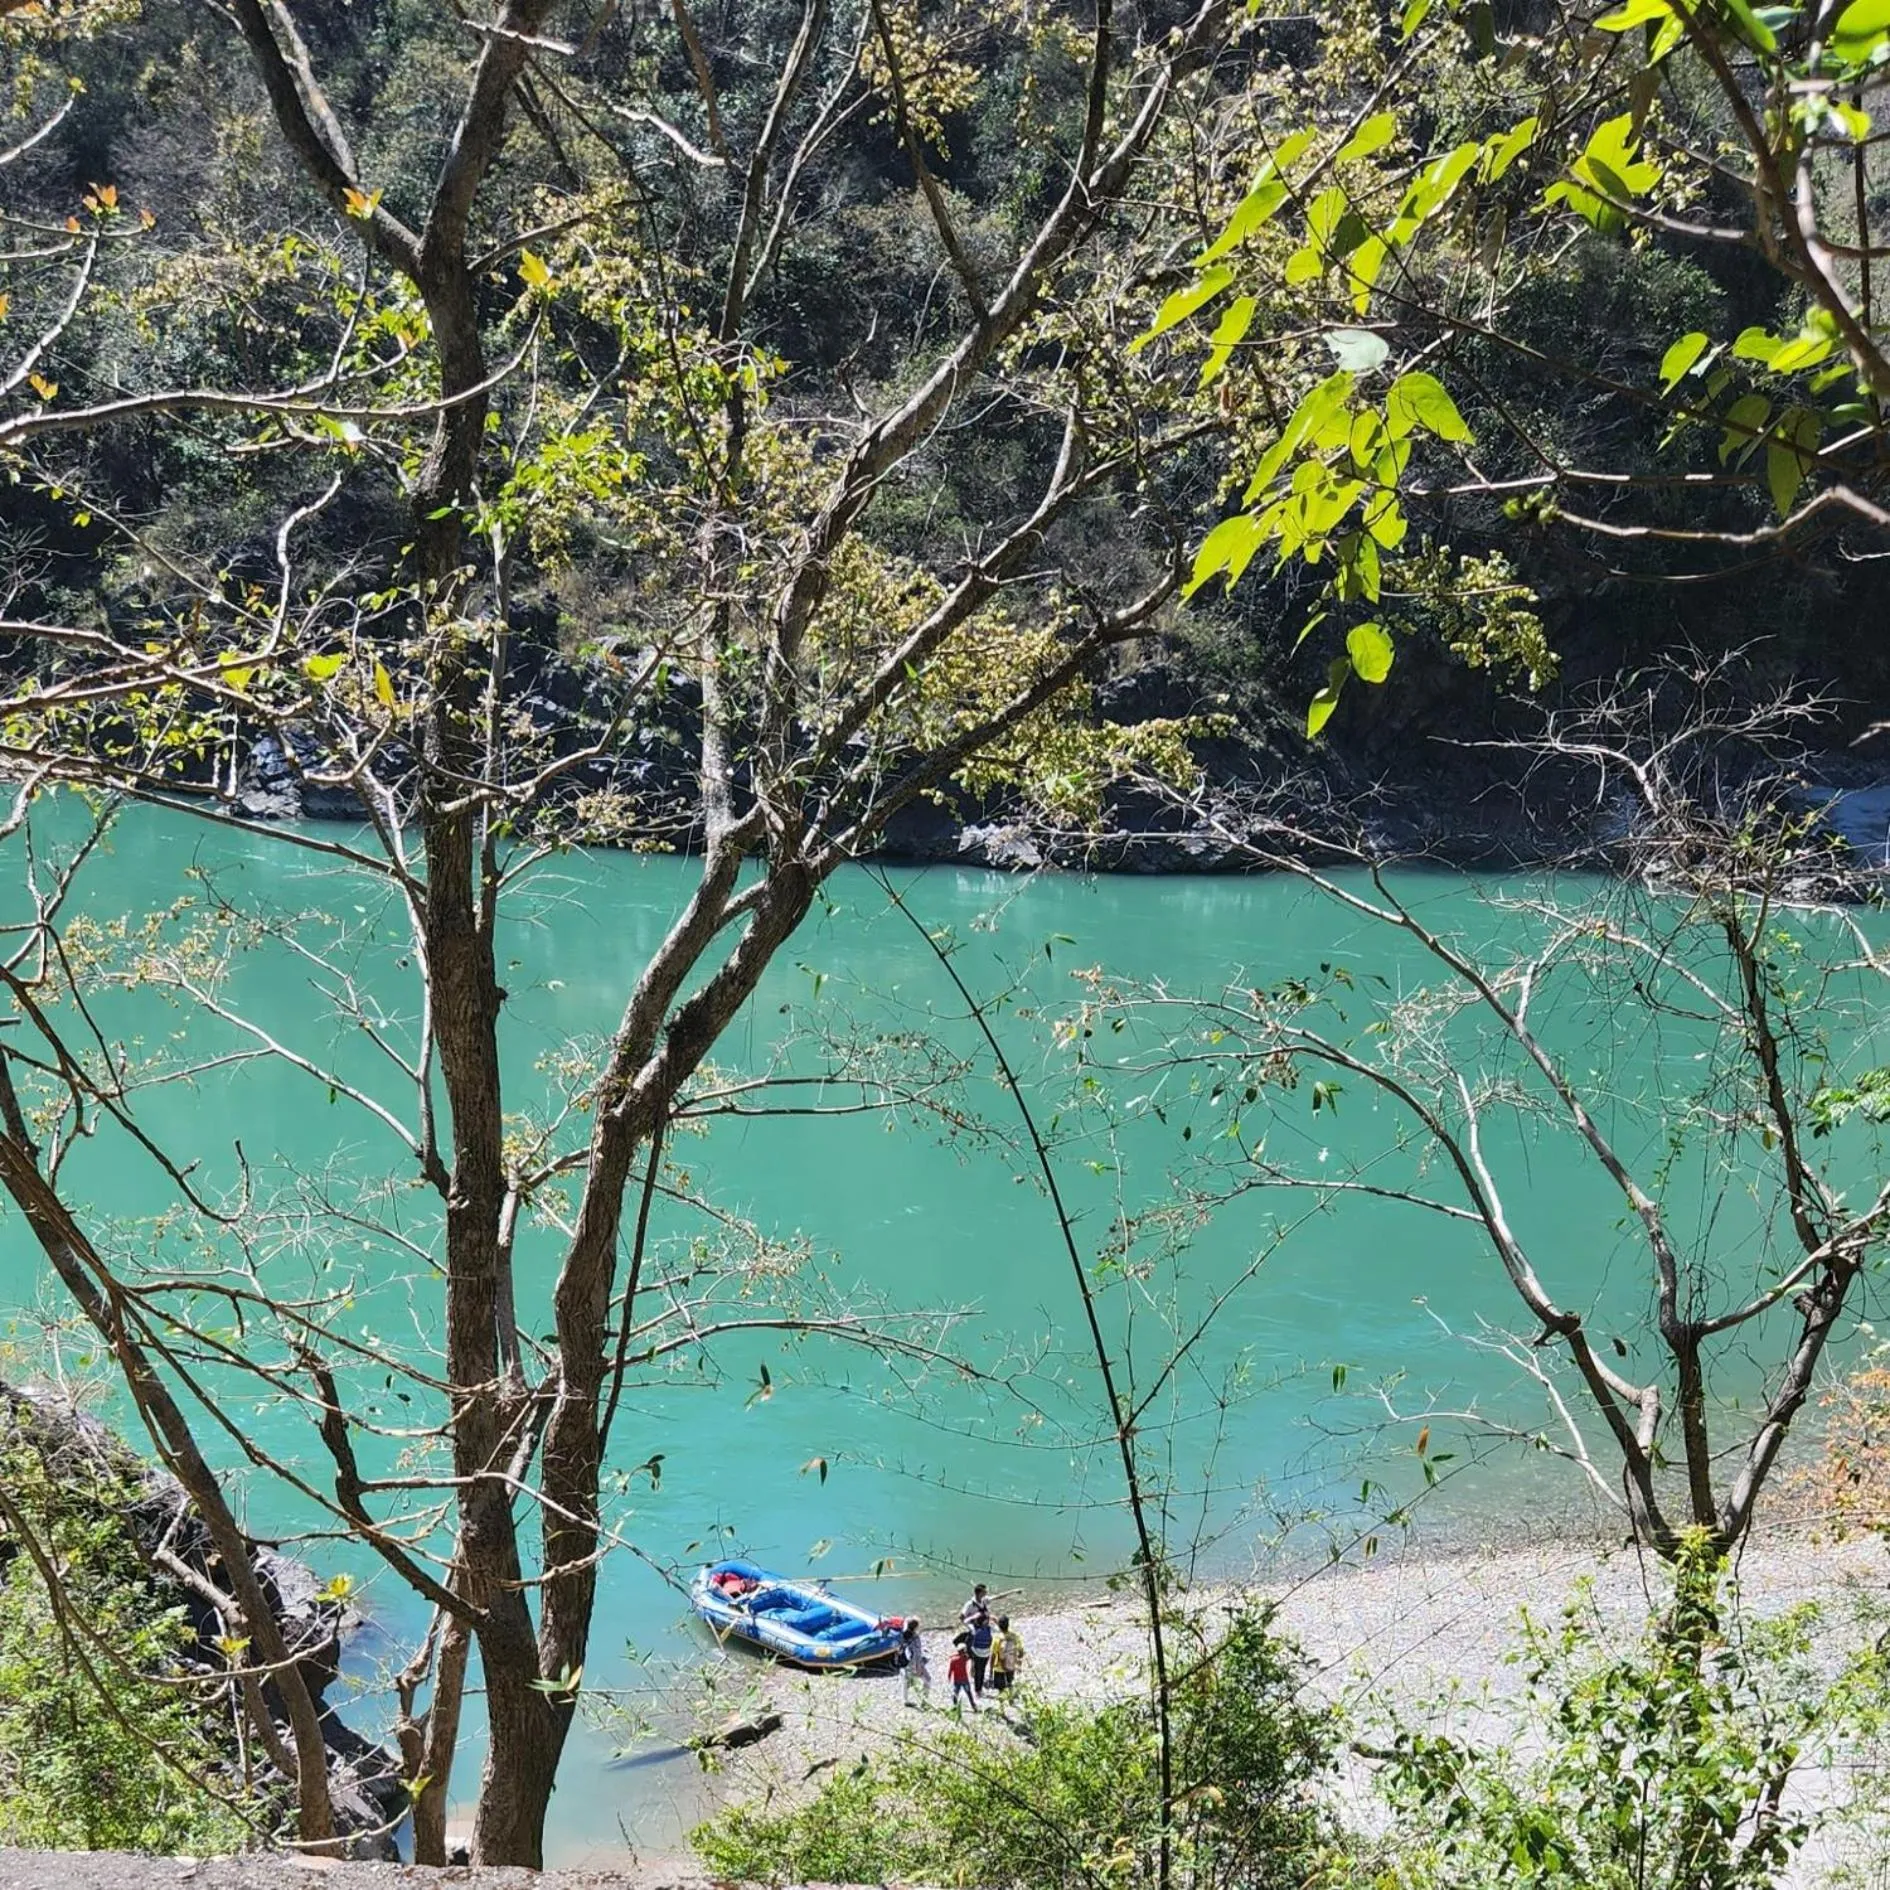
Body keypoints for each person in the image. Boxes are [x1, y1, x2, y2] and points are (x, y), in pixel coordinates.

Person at [989, 1614, 1024, 1703]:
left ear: (999, 1626)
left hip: (999, 1667)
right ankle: (1011, 1698)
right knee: (1010, 1683)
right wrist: (1019, 1664)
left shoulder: (997, 1638)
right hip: (1010, 1665)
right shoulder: (1014, 1636)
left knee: (1000, 1689)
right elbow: (1021, 1652)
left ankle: (1001, 1707)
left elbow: (993, 1655)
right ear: (1008, 1624)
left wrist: (990, 1671)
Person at [900, 1617, 930, 1707]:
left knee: (905, 1683)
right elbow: (916, 1654)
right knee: (928, 1680)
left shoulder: (904, 1636)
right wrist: (920, 1665)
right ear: (916, 1627)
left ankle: (905, 1700)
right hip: (915, 1665)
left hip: (905, 1664)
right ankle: (924, 1700)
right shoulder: (915, 1637)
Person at [967, 1604, 995, 1695]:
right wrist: (995, 1619)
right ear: (983, 1621)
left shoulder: (974, 1629)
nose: (988, 1621)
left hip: (978, 1653)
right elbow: (1000, 1629)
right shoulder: (989, 1629)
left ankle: (977, 1689)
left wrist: (973, 1617)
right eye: (987, 1620)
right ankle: (978, 1689)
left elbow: (965, 1621)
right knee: (981, 1670)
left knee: (979, 1670)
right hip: (985, 1653)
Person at [947, 1634, 977, 1715]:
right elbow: (970, 1656)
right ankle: (973, 1706)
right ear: (964, 1651)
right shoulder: (965, 1658)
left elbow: (950, 1670)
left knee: (955, 1693)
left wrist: (949, 1678)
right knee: (969, 1693)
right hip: (964, 1679)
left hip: (956, 1680)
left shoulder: (953, 1660)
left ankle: (955, 1707)